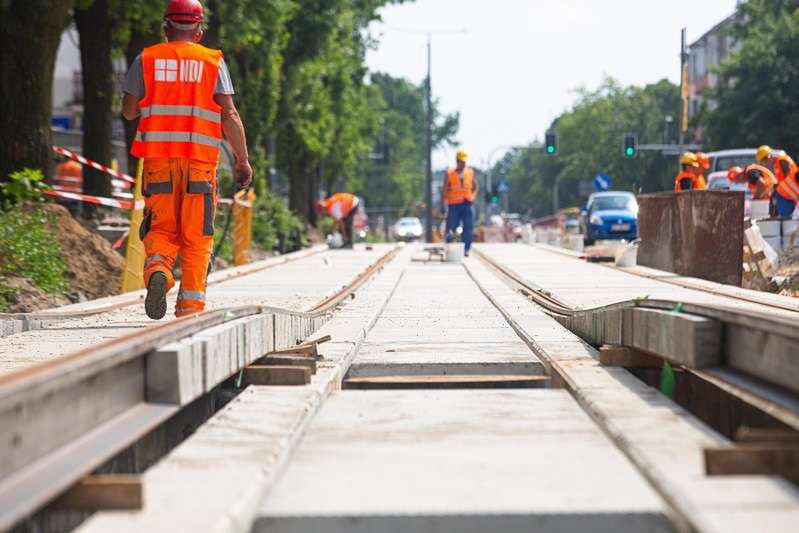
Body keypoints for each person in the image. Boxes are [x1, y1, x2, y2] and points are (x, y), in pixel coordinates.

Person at [122, 0, 252, 320]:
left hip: (157, 163)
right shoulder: (212, 61)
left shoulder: (146, 59)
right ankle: (190, 310)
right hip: (199, 164)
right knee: (197, 236)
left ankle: (159, 273)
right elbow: (230, 114)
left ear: (165, 28)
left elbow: (127, 111)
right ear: (199, 30)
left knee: (161, 228)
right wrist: (242, 159)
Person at [442, 150, 479, 256]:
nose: (464, 164)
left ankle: (466, 249)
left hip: (468, 203)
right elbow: (444, 189)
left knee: (469, 226)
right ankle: (450, 248)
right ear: (457, 161)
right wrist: (443, 205)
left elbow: (476, 186)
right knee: (451, 227)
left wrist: (473, 196)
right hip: (454, 204)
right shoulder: (450, 173)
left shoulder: (470, 172)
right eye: (462, 161)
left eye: (465, 162)